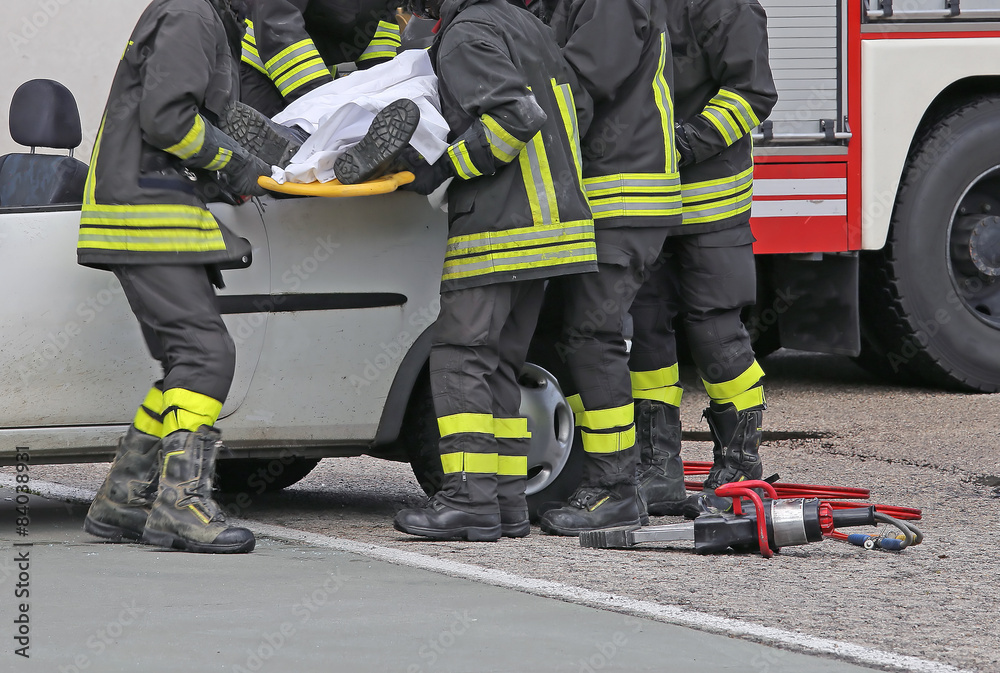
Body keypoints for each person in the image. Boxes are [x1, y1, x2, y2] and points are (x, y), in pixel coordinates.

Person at [391, 0, 598, 541]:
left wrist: (444, 170)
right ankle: (505, 503)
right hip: (553, 227)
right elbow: (578, 108)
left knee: (461, 358)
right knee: (502, 362)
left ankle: (467, 500)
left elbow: (515, 120)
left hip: (500, 227)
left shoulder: (465, 35)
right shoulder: (528, 25)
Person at [79, 0, 270, 554]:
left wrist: (228, 173)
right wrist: (236, 165)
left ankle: (124, 498)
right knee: (208, 354)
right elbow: (167, 119)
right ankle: (179, 505)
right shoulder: (192, 14)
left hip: (142, 203)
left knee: (184, 363)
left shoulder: (191, 11)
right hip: (147, 208)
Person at [529, 0, 683, 536]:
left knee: (594, 335)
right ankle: (610, 478)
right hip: (609, 195)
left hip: (623, 194)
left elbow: (580, 81)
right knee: (576, 335)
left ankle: (617, 488)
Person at [627, 0, 778, 518]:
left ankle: (738, 465)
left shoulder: (727, 5)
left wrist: (684, 144)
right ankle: (657, 468)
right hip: (644, 200)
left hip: (710, 200)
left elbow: (752, 92)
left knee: (714, 329)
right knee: (644, 327)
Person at [239, 0, 403, 119]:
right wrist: (321, 99)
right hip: (260, 70)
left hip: (317, 81)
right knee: (272, 158)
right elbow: (277, 21)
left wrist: (383, 96)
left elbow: (379, 27)